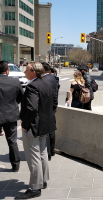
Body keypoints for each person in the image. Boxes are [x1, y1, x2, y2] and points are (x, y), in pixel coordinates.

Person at [17, 62, 56, 199]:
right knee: (42, 153)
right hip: (46, 124)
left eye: (26, 70)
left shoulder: (32, 86)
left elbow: (32, 108)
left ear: (34, 72)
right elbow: (53, 103)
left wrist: (25, 124)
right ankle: (43, 180)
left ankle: (35, 187)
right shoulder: (48, 83)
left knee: (33, 157)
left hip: (33, 126)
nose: (24, 72)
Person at [0, 61, 23, 172]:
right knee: (12, 141)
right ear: (7, 70)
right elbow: (21, 97)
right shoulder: (15, 81)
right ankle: (15, 165)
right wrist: (13, 104)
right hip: (11, 114)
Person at [42, 63, 58, 161]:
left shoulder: (45, 80)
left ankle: (48, 152)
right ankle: (52, 150)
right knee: (51, 130)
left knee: (47, 132)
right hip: (52, 108)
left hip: (47, 108)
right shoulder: (53, 78)